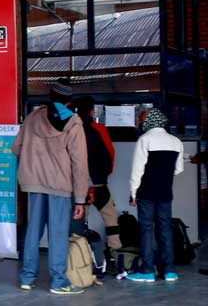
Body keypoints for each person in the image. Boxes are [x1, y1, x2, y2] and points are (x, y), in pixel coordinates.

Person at [12, 80, 89, 295]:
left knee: (32, 232)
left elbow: (16, 148)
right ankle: (58, 282)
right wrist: (80, 198)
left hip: (34, 184)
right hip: (59, 185)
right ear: (69, 101)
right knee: (58, 234)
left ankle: (27, 278)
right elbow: (79, 162)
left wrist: (35, 157)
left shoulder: (33, 117)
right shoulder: (73, 122)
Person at [127, 108, 184, 283]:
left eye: (142, 120)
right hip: (165, 192)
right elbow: (178, 169)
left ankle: (147, 271)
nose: (141, 123)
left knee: (146, 230)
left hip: (146, 192)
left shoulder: (145, 140)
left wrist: (133, 193)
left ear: (149, 121)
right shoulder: (176, 141)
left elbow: (137, 170)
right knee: (165, 229)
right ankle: (169, 271)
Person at [74, 96, 121, 251]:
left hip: (79, 185)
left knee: (80, 219)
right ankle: (115, 251)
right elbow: (110, 153)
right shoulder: (99, 129)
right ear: (92, 111)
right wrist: (105, 174)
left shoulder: (72, 129)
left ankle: (80, 255)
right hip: (99, 183)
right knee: (110, 217)